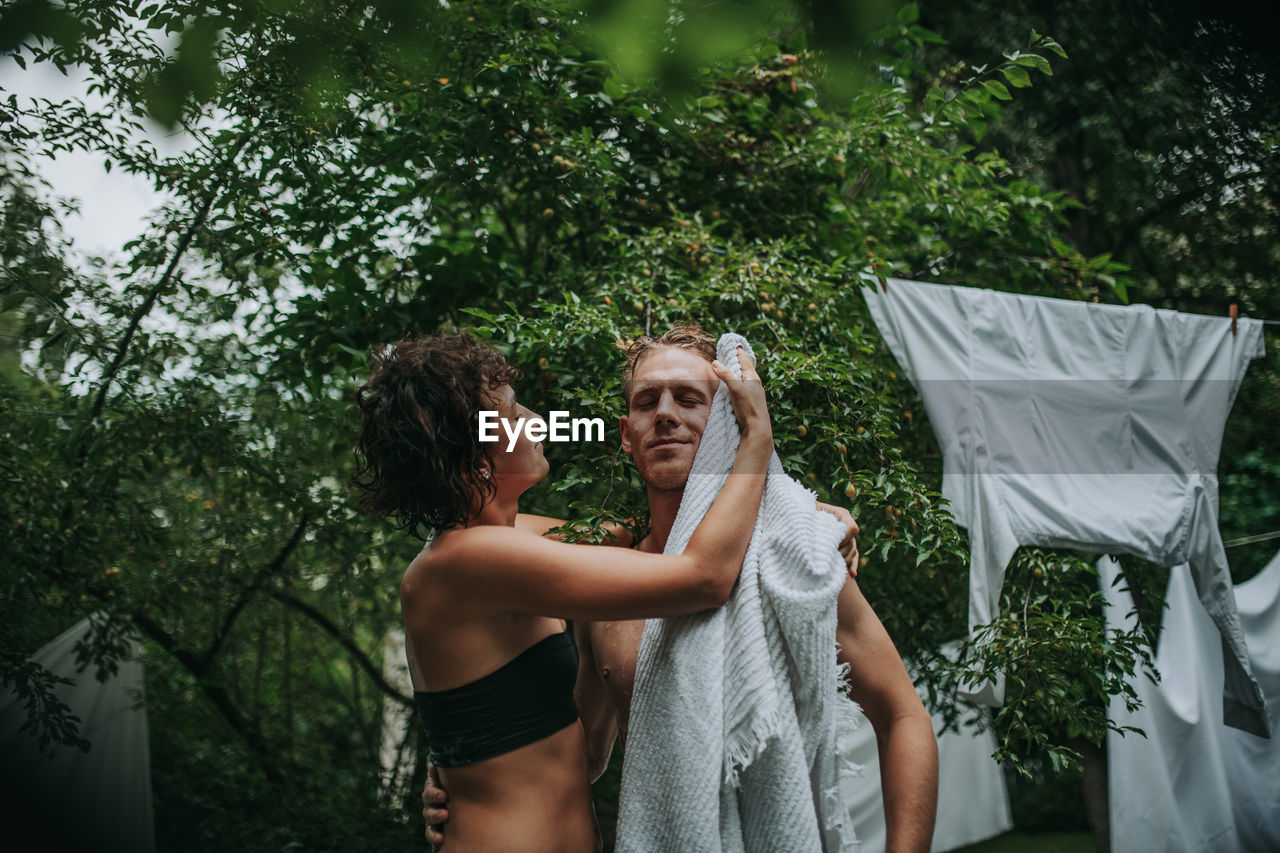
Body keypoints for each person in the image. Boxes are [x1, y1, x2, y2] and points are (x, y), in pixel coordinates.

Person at [423, 326, 940, 852]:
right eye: (647, 401)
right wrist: (460, 770)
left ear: (727, 425)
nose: (665, 413)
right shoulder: (606, 581)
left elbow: (903, 718)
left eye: (690, 399)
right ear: (627, 434)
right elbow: (582, 755)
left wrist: (812, 516)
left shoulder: (790, 562)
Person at [352, 332, 775, 853]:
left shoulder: (514, 539)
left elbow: (657, 528)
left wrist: (803, 518)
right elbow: (703, 576)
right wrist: (756, 436)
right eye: (511, 413)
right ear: (477, 458)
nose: (535, 420)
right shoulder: (469, 560)